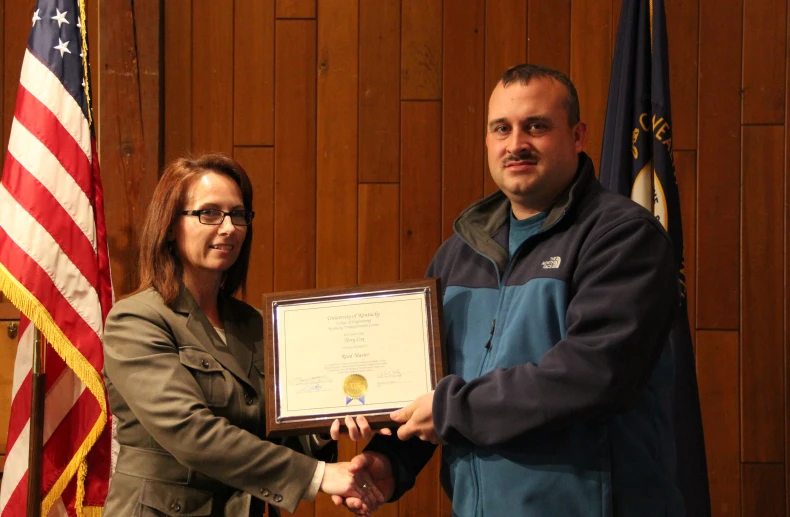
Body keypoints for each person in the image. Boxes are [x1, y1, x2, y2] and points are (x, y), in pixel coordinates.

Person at [337, 64, 685, 516]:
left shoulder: (621, 238)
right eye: (501, 128)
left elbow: (592, 374)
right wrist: (391, 460)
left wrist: (450, 412)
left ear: (577, 135)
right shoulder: (459, 254)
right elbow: (431, 388)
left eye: (535, 127)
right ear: (487, 141)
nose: (515, 144)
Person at [102, 154, 383, 516]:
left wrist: (321, 427)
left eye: (238, 214)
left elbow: (271, 430)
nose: (228, 227)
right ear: (171, 226)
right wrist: (320, 475)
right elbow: (190, 432)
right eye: (209, 213)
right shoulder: (137, 320)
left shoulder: (253, 324)